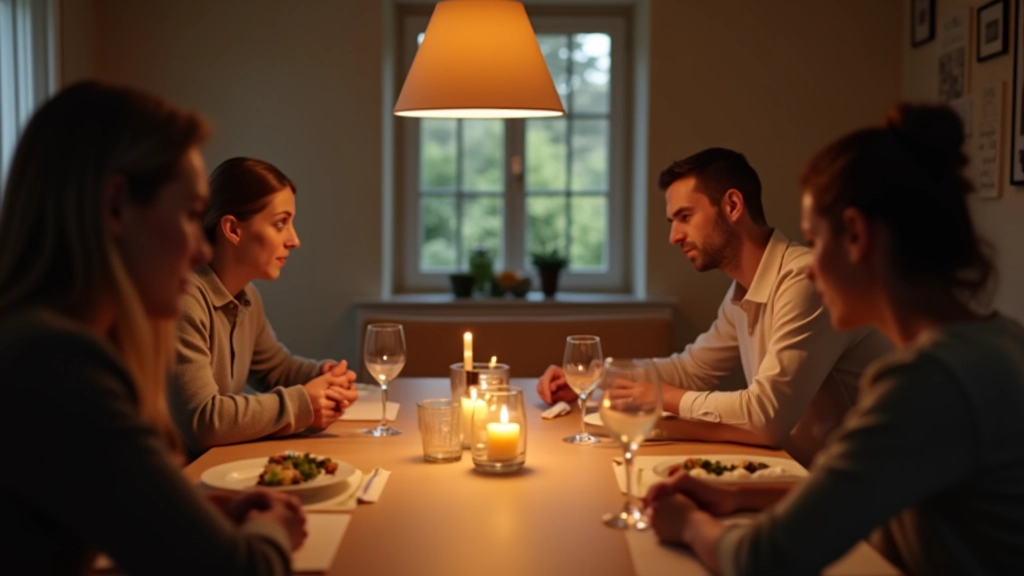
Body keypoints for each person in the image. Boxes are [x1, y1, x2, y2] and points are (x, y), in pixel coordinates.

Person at [646, 104, 1024, 575]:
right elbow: (874, 489)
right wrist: (737, 493)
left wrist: (687, 524)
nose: (810, 265)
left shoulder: (926, 381)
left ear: (856, 237)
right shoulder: (999, 341)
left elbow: (764, 559)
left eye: (814, 240)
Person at [0, 81, 304, 574]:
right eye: (188, 214)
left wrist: (206, 516)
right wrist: (272, 531)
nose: (203, 251)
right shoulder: (58, 365)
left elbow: (79, 524)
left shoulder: (34, 344)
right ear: (116, 205)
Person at [538, 147, 891, 464]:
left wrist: (663, 397)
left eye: (685, 217)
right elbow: (693, 369)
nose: (674, 236)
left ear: (733, 206)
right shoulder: (744, 288)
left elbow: (766, 417)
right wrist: (592, 380)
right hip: (798, 475)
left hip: (856, 499)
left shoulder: (804, 280)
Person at [169, 157, 359, 456]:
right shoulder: (185, 300)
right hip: (176, 484)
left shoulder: (247, 297)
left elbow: (275, 369)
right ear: (232, 229)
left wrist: (323, 373)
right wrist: (303, 404)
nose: (294, 240)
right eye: (280, 223)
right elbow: (204, 421)